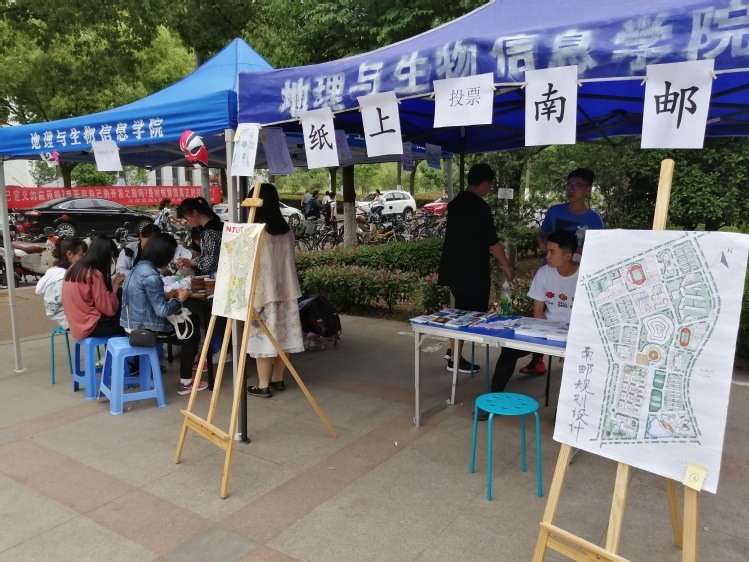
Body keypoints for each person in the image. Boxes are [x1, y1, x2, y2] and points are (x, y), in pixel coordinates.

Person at [478, 230, 580, 421]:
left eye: (552, 252)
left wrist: (568, 343)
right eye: (547, 251)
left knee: (578, 363)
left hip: (576, 332)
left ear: (568, 256)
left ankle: (565, 413)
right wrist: (548, 338)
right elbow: (538, 310)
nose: (547, 256)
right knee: (509, 350)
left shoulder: (584, 275)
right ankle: (494, 398)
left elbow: (588, 318)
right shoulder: (544, 273)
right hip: (546, 327)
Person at [519, 168, 604, 376]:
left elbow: (599, 250)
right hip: (552, 271)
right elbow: (543, 233)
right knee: (543, 309)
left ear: (588, 189)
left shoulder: (595, 220)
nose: (571, 189)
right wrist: (543, 242)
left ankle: (574, 363)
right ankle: (538, 359)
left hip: (577, 275)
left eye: (577, 186)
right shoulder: (555, 211)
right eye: (569, 185)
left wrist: (576, 251)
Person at [438, 163, 515, 373]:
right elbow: (492, 241)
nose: (489, 189)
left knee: (460, 309)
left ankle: (452, 352)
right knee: (466, 315)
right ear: (484, 183)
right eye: (489, 184)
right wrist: (507, 266)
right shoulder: (479, 207)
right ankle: (455, 360)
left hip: (454, 268)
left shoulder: (455, 203)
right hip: (471, 271)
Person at [120, 233, 206, 396]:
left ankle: (188, 375)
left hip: (130, 324)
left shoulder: (136, 269)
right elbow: (162, 311)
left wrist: (165, 296)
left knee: (191, 321)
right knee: (192, 330)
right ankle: (186, 382)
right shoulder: (152, 276)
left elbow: (143, 298)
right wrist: (180, 299)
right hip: (144, 330)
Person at [246, 183, 305, 398]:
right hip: (287, 291)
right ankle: (278, 379)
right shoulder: (287, 230)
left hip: (263, 293)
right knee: (284, 337)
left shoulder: (255, 231)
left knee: (263, 338)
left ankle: (263, 385)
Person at [62, 235, 125, 341]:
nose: (110, 262)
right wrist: (115, 286)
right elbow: (109, 310)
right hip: (90, 327)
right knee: (126, 322)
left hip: (76, 326)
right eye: (109, 258)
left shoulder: (73, 268)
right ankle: (124, 351)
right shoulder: (93, 274)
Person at [35, 236, 87, 330]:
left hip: (73, 316)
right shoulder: (61, 278)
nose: (84, 258)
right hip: (70, 320)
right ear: (69, 254)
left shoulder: (62, 272)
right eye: (81, 255)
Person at [175, 197, 223, 276]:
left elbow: (210, 262)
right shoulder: (216, 225)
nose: (187, 222)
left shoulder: (210, 232)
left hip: (218, 275)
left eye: (187, 218)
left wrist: (190, 262)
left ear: (194, 213)